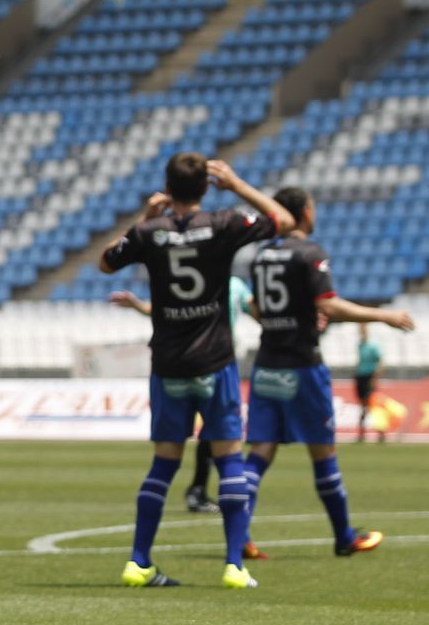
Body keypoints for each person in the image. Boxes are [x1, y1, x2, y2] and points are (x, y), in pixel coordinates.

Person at [99, 154, 293, 590]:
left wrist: (144, 218)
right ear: (206, 187)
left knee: (163, 464)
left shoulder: (150, 232)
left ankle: (138, 562)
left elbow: (107, 262)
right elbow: (281, 219)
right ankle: (233, 566)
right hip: (214, 361)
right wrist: (238, 183)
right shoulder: (224, 223)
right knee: (228, 460)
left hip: (168, 363)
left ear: (167, 187)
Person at [242, 187, 413, 557]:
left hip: (268, 362)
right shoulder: (309, 253)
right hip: (302, 364)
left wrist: (283, 319)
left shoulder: (262, 255)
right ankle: (344, 537)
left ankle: (239, 537)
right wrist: (383, 315)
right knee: (323, 453)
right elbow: (330, 306)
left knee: (260, 452)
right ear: (303, 212)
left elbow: (255, 307)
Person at [109, 276, 252, 518]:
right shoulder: (213, 280)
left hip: (209, 363)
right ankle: (210, 503)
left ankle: (197, 490)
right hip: (211, 365)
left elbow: (255, 307)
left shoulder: (232, 284)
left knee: (201, 438)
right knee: (218, 438)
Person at [354, 324, 383, 442]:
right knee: (362, 407)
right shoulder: (360, 345)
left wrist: (375, 379)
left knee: (372, 406)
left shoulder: (373, 346)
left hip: (369, 378)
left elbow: (380, 362)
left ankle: (381, 433)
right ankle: (361, 434)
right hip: (360, 377)